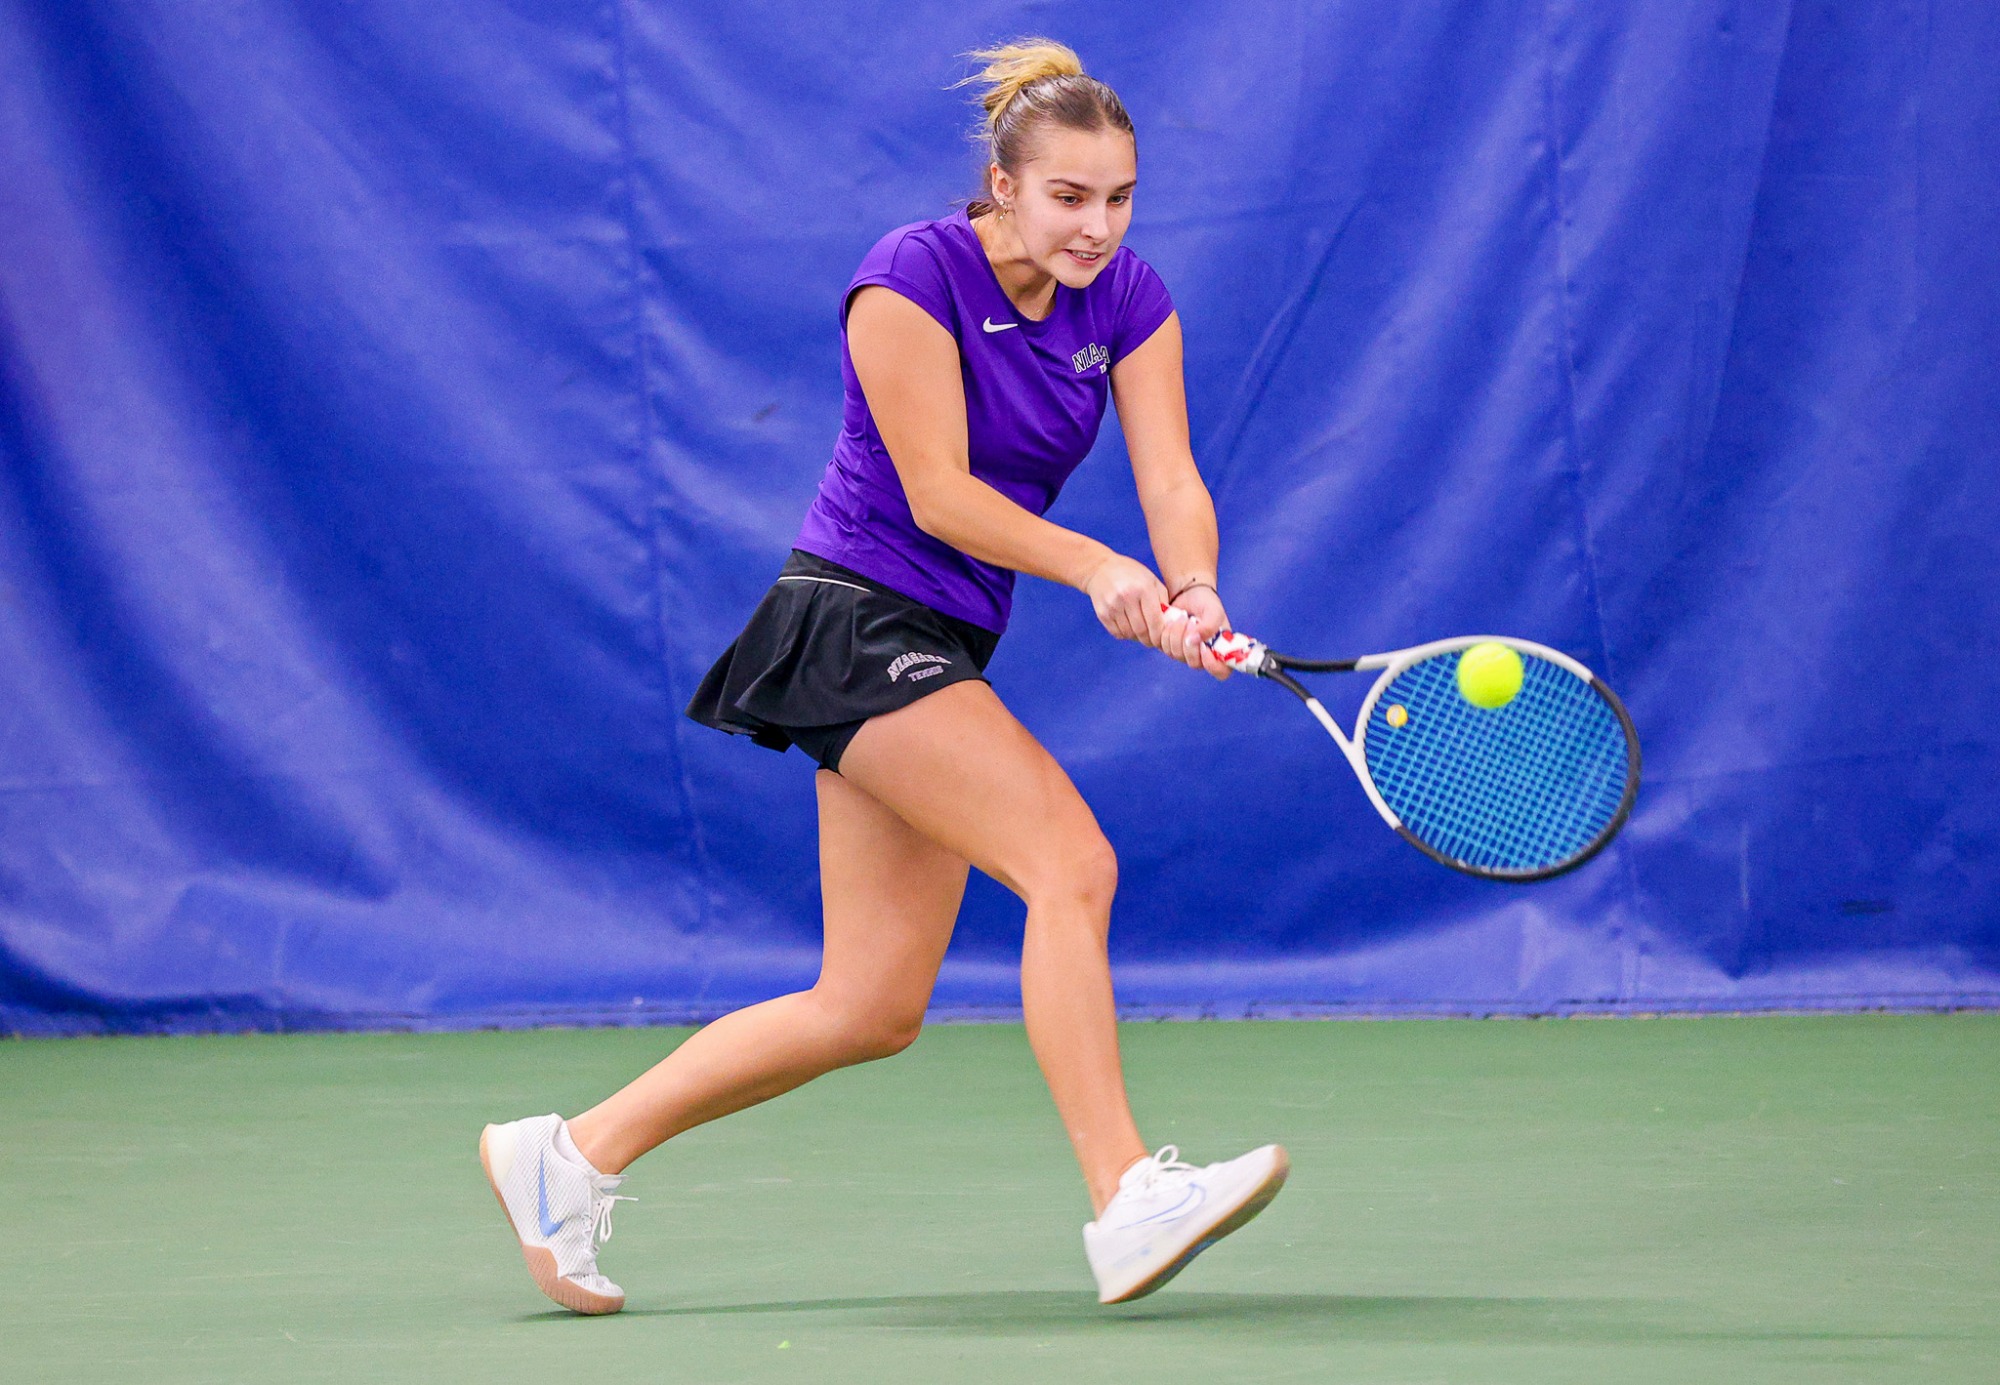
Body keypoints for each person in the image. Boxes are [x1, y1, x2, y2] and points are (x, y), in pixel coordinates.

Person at [478, 38, 1287, 1315]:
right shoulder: (911, 274)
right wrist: (1094, 569)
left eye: (1118, 196)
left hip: (943, 640)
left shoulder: (1127, 297)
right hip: (850, 618)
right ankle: (1127, 1191)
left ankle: (567, 1155)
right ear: (1003, 184)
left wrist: (1189, 586)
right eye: (1068, 196)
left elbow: (1171, 474)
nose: (1096, 225)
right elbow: (938, 492)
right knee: (1069, 864)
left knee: (868, 1003)